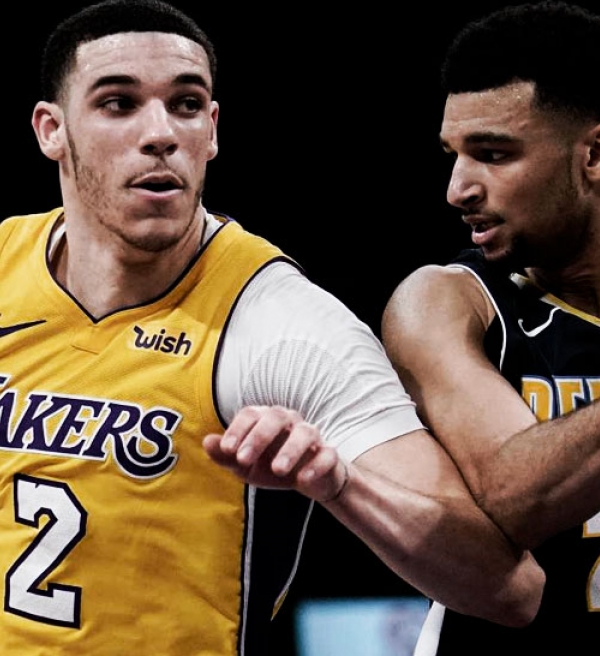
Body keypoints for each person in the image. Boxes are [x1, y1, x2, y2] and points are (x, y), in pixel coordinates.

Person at [0, 0, 544, 653]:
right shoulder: (4, 266)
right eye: (119, 104)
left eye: (186, 104)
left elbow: (509, 591)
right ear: (51, 130)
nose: (161, 133)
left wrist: (339, 483)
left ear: (212, 131)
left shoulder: (284, 325)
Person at [382, 2, 600, 654]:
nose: (457, 189)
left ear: (593, 154)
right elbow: (514, 496)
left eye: (493, 154)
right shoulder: (447, 302)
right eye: (454, 155)